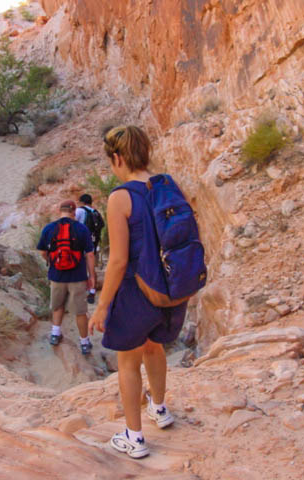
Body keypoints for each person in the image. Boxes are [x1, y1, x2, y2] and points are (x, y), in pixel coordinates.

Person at [88, 126, 188, 459]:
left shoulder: (121, 197)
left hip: (136, 290)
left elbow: (117, 261)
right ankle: (160, 409)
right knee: (154, 348)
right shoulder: (168, 185)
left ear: (117, 158)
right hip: (170, 288)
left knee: (128, 363)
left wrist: (102, 306)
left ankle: (134, 438)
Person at [37, 200, 96, 355]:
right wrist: (92, 277)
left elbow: (42, 251)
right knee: (80, 311)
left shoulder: (49, 228)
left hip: (56, 276)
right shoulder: (82, 229)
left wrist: (51, 261)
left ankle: (55, 334)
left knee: (58, 305)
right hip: (78, 276)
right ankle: (84, 343)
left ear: (59, 211)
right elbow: (89, 255)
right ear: (74, 212)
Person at [75, 193, 104, 304]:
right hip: (94, 245)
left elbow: (71, 223)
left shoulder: (80, 211)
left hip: (81, 246)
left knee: (79, 268)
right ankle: (92, 292)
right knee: (91, 269)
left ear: (82, 202)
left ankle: (79, 292)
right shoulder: (95, 212)